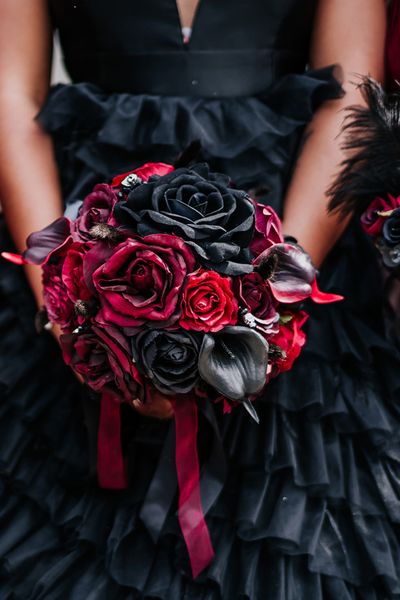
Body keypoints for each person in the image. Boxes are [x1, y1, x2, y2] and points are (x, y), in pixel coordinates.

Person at [0, 1, 399, 598]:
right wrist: (73, 315)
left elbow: (351, 98)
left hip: (294, 239)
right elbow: (10, 96)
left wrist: (269, 298)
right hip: (83, 246)